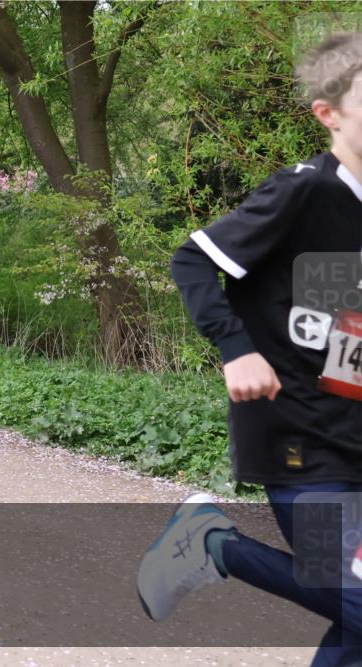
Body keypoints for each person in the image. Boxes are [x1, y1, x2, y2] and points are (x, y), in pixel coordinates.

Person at [137, 33, 362, 665]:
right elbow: (190, 261)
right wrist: (237, 350)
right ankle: (215, 543)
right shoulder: (304, 192)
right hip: (298, 443)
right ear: (330, 113)